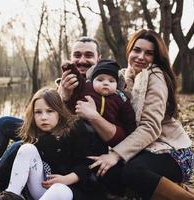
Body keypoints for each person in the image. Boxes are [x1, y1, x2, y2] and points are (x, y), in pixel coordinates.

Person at [0, 36, 128, 199]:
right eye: (77, 55)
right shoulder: (67, 81)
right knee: (4, 123)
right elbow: (43, 113)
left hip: (77, 146)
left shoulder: (106, 86)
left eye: (88, 55)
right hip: (53, 136)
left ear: (99, 58)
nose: (82, 60)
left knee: (18, 146)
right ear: (71, 58)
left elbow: (116, 131)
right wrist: (62, 96)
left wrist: (94, 118)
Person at [79, 29, 194, 200]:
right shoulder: (124, 77)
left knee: (132, 171)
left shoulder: (156, 76)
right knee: (104, 170)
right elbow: (94, 83)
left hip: (172, 152)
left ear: (156, 58)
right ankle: (167, 188)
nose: (140, 56)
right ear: (129, 50)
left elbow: (151, 128)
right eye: (136, 50)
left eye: (149, 53)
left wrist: (116, 154)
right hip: (142, 151)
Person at [0, 88, 96, 200]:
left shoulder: (75, 129)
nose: (43, 117)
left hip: (68, 191)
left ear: (59, 112)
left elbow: (87, 164)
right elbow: (8, 165)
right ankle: (11, 196)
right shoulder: (37, 136)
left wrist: (66, 179)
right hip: (41, 189)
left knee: (59, 189)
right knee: (26, 148)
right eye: (38, 112)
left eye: (50, 111)